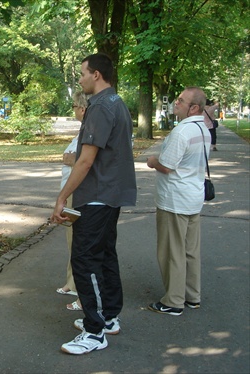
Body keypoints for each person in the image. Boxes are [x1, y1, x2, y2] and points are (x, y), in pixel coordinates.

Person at [51, 53, 137, 355]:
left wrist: (62, 198)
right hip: (111, 194)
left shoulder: (100, 107)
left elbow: (85, 160)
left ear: (97, 74)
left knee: (85, 259)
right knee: (104, 255)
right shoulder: (118, 102)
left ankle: (95, 330)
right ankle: (110, 316)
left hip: (97, 196)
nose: (81, 79)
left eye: (83, 73)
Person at [146, 86, 211, 316]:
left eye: (181, 101)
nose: (176, 103)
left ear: (194, 107)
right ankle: (192, 296)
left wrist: (153, 161)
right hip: (193, 197)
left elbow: (168, 166)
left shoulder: (181, 132)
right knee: (191, 250)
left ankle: (173, 301)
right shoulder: (203, 129)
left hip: (175, 200)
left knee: (172, 251)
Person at [56, 91, 90, 312]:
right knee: (71, 241)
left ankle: (80, 288)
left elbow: (82, 161)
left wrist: (69, 158)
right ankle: (72, 282)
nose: (74, 110)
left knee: (79, 243)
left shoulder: (90, 130)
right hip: (70, 193)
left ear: (83, 108)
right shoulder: (83, 130)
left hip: (79, 195)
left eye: (75, 106)